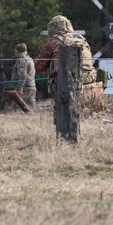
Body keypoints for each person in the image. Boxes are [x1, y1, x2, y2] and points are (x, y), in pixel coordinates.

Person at [35, 15, 95, 143]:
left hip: (63, 82)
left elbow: (39, 66)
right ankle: (75, 135)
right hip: (87, 82)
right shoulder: (81, 40)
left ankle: (64, 138)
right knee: (76, 110)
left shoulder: (53, 42)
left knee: (62, 111)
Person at [13, 43, 37, 108]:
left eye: (15, 50)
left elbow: (23, 75)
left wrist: (20, 88)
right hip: (31, 86)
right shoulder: (29, 59)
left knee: (19, 109)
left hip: (25, 89)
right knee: (31, 109)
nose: (14, 52)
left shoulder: (22, 61)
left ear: (18, 51)